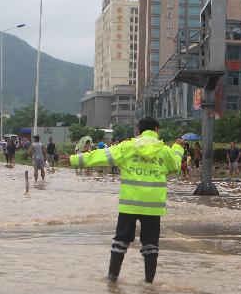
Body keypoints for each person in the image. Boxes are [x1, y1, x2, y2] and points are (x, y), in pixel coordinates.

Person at [64, 116, 184, 284]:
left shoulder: (126, 148)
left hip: (129, 203)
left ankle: (112, 279)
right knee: (151, 245)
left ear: (138, 131)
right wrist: (178, 148)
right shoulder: (164, 151)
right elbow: (176, 167)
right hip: (153, 206)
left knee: (120, 241)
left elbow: (101, 156)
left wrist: (74, 159)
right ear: (156, 130)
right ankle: (149, 284)